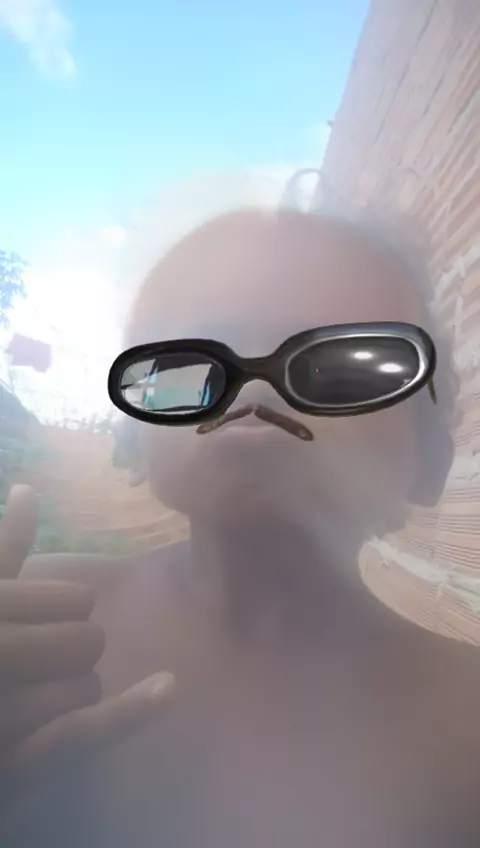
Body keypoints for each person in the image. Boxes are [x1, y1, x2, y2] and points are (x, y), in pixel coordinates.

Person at [1, 181, 479, 847]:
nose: (255, 397)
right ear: (134, 439)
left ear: (430, 458)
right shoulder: (29, 622)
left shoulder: (467, 719)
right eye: (189, 365)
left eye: (345, 365)